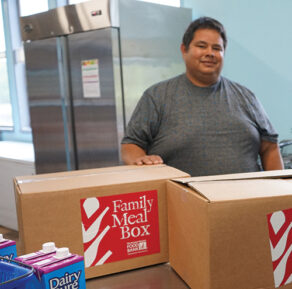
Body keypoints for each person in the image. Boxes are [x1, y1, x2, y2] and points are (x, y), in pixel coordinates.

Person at [121, 17, 284, 176]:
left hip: (246, 200)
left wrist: (281, 192)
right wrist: (142, 162)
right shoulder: (157, 96)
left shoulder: (246, 96)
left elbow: (270, 147)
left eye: (217, 48)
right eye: (201, 46)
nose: (210, 53)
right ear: (184, 50)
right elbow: (130, 145)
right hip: (183, 201)